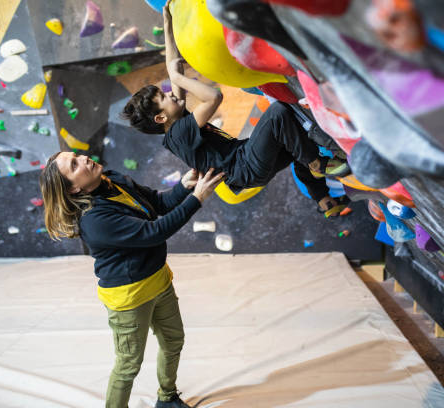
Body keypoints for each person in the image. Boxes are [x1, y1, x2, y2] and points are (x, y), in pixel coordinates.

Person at [121, 4, 350, 217]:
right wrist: (181, 77)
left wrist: (168, 21)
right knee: (278, 114)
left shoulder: (176, 123)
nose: (171, 93)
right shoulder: (178, 134)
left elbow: (173, 69)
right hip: (244, 166)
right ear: (161, 117)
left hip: (246, 165)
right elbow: (213, 97)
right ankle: (316, 163)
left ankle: (322, 198)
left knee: (293, 139)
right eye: (164, 97)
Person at [40, 151, 224, 408]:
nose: (83, 159)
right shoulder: (94, 220)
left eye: (77, 155)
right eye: (74, 164)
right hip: (129, 298)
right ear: (73, 189)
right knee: (128, 366)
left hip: (158, 279)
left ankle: (167, 397)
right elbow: (155, 232)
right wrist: (197, 199)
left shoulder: (111, 178)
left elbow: (156, 204)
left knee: (173, 340)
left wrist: (184, 185)